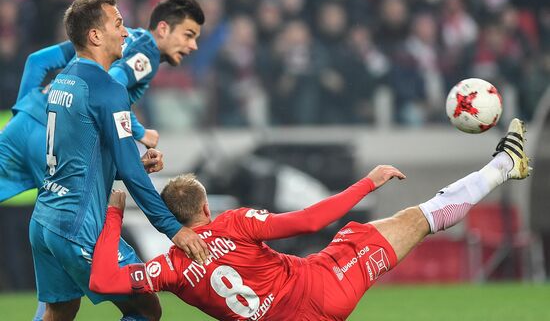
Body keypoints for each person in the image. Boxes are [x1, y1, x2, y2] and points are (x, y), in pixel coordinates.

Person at [90, 119, 531, 320]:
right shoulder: (234, 223)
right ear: (206, 208)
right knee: (416, 219)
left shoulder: (169, 267)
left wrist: (114, 210)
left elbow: (103, 282)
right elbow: (308, 221)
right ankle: (502, 167)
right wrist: (366, 184)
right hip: (325, 286)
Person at [29, 0, 208, 321]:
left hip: (44, 220)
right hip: (80, 226)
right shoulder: (107, 89)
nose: (127, 32)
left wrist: (129, 160)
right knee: (146, 307)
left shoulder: (63, 81)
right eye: (119, 24)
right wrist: (173, 229)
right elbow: (126, 167)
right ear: (96, 35)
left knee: (61, 309)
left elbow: (79, 157)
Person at [0, 0, 204, 203]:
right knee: (88, 226)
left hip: (24, 123)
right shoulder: (147, 55)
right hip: (58, 137)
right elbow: (111, 84)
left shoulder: (105, 37)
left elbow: (37, 61)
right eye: (188, 35)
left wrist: (23, 114)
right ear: (163, 29)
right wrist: (140, 132)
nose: (193, 45)